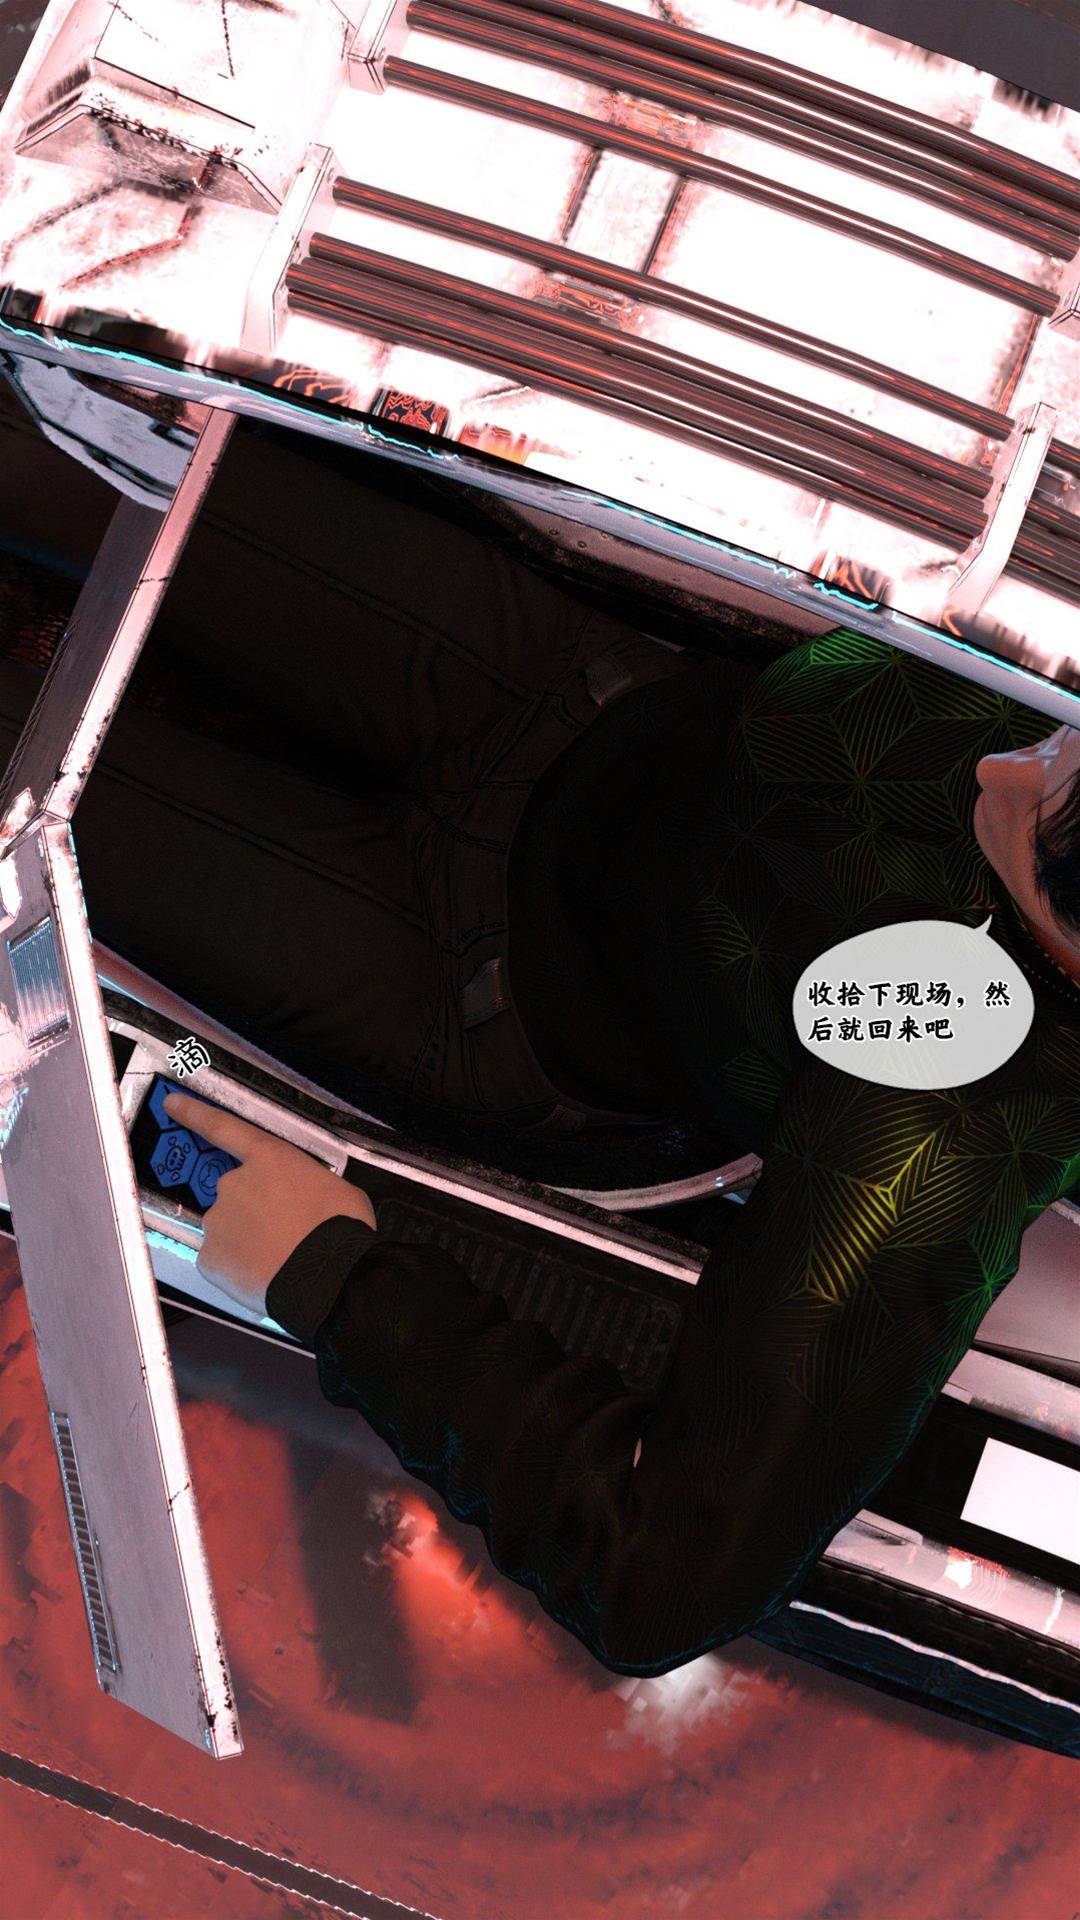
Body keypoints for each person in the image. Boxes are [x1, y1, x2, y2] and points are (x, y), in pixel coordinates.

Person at [1, 396, 1078, 1676]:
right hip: (557, 683)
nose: (1008, 765)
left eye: (1041, 819)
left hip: (465, 979)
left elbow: (660, 1586)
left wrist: (332, 1275)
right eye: (1058, 741)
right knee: (51, 439)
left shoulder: (941, 1139)